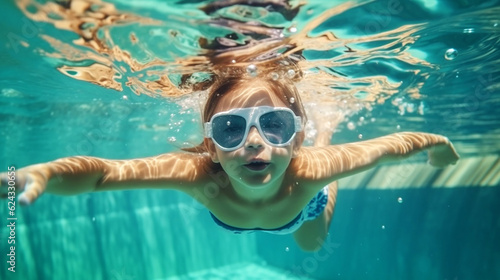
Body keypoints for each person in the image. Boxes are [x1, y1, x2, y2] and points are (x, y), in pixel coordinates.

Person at [0, 73, 459, 252]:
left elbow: (395, 143)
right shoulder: (199, 176)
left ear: (294, 134)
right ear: (211, 143)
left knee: (311, 244)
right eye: (230, 129)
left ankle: (326, 132)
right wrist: (46, 171)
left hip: (303, 205)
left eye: (275, 125)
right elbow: (107, 173)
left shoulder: (310, 169)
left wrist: (436, 142)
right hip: (238, 213)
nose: (254, 143)